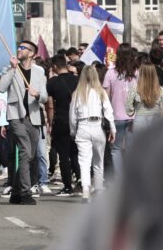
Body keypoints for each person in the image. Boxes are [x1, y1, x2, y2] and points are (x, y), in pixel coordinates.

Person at [0, 40, 47, 205]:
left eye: (23, 48)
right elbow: (1, 88)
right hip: (16, 116)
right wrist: (12, 69)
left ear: (31, 53)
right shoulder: (11, 69)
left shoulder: (39, 72)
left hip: (34, 117)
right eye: (18, 47)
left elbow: (45, 97)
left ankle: (16, 192)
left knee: (30, 155)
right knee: (25, 150)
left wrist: (37, 94)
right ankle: (25, 192)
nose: (19, 49)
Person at [70, 62, 115, 202]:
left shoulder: (77, 93)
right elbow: (108, 111)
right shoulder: (100, 92)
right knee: (98, 160)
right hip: (97, 126)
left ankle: (85, 189)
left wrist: (73, 131)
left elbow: (72, 116)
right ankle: (99, 189)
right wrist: (112, 129)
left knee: (84, 161)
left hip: (83, 126)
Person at [46, 56, 79, 197]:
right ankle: (81, 181)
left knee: (64, 155)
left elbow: (50, 106)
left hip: (61, 120)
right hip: (78, 121)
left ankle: (67, 186)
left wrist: (50, 122)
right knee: (76, 153)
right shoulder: (78, 80)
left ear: (54, 67)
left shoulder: (52, 82)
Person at [102, 44, 137, 172]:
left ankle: (120, 180)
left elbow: (105, 97)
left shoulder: (111, 73)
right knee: (131, 149)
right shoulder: (136, 72)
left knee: (116, 149)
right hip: (134, 116)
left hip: (116, 116)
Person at [126, 62, 163, 132]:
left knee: (140, 143)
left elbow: (128, 109)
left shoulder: (135, 90)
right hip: (156, 120)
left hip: (139, 120)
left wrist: (133, 111)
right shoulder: (161, 90)